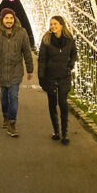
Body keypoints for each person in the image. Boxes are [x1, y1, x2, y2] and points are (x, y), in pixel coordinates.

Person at [0, 8, 33, 137]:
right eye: (6, 18)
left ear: (14, 19)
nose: (9, 21)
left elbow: (27, 52)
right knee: (3, 95)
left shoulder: (22, 32)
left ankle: (12, 123)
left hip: (16, 71)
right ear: (2, 19)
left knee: (14, 96)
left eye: (11, 18)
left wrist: (30, 69)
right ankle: (5, 115)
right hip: (0, 71)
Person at [38, 16, 77, 144]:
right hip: (50, 76)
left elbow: (74, 54)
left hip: (64, 76)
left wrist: (70, 65)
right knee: (52, 103)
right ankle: (56, 131)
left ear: (61, 25)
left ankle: (65, 133)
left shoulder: (69, 39)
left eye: (55, 24)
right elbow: (42, 59)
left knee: (63, 103)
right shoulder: (46, 39)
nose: (52, 26)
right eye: (51, 24)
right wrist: (41, 76)